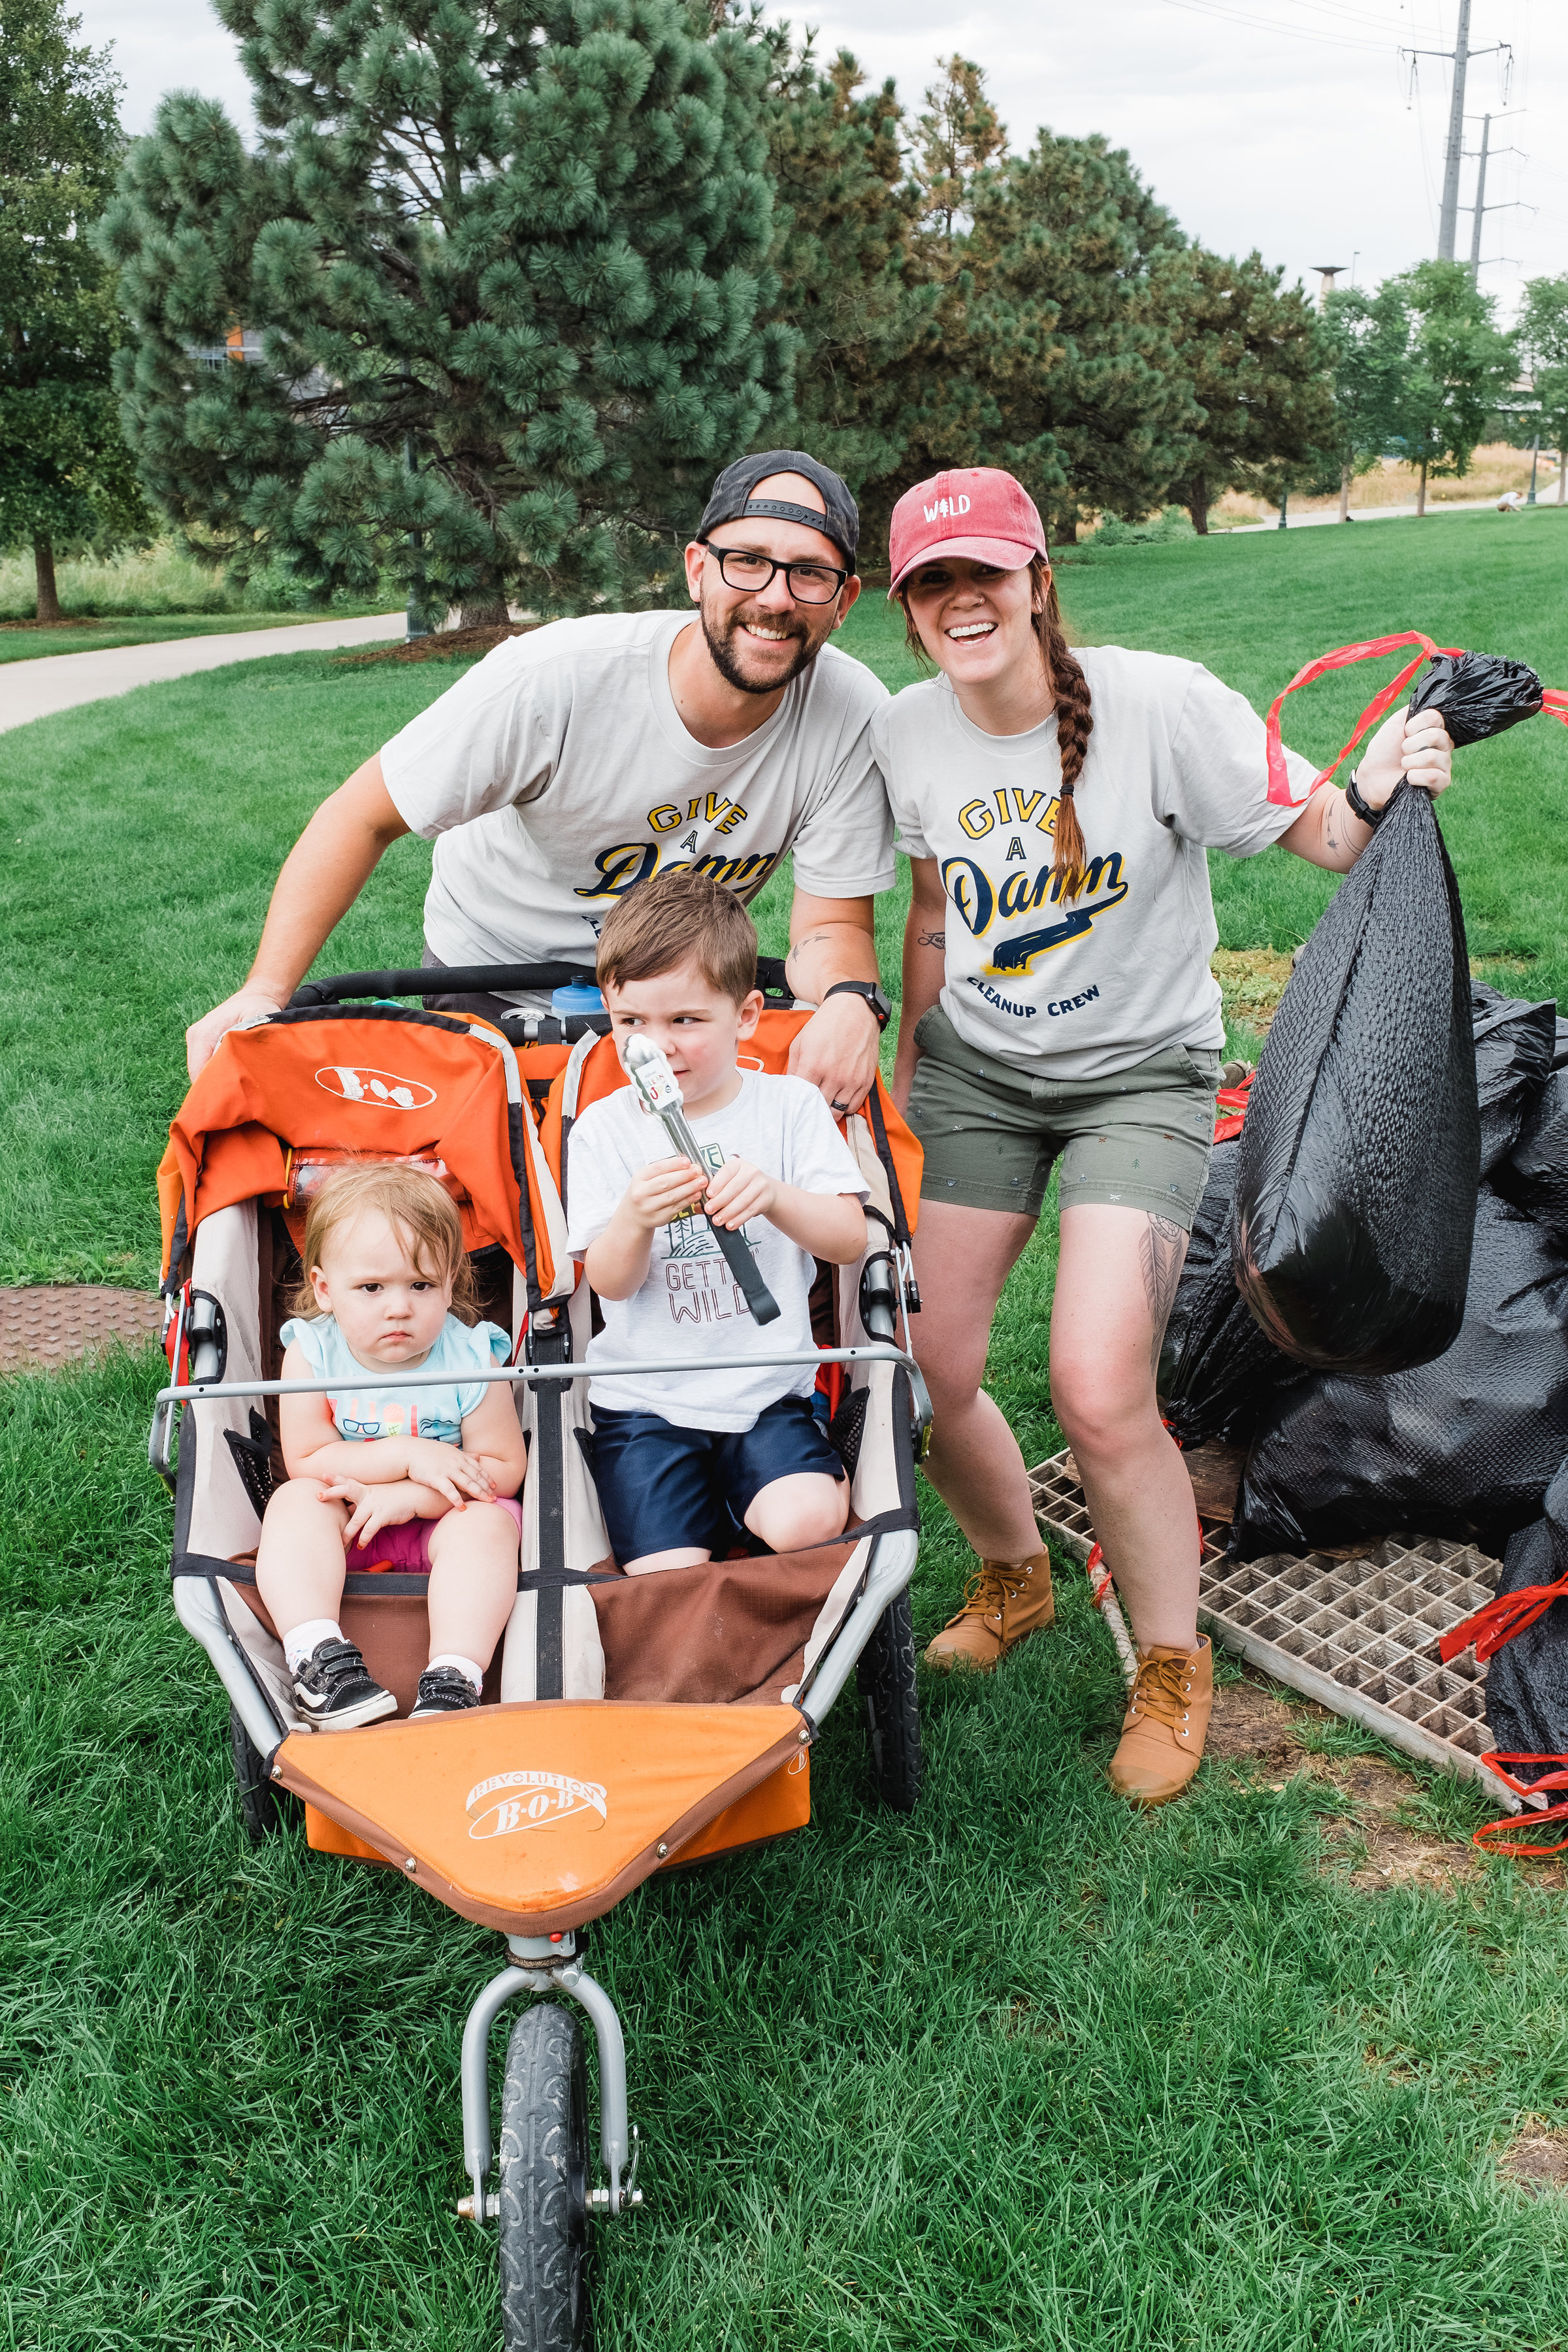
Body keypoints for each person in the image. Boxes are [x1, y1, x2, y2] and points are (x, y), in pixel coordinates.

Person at [873, 465, 1455, 1806]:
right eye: (932, 584)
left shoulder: (1160, 704)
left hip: (1139, 1073)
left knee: (1094, 1384)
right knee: (919, 1368)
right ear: (909, 610)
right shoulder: (908, 735)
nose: (964, 601)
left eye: (985, 573)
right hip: (974, 1075)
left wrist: (1385, 774)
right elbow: (921, 911)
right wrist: (904, 1080)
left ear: (1036, 582)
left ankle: (1172, 1666)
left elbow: (1322, 835)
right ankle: (1017, 1574)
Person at [184, 450, 896, 1115]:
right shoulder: (555, 678)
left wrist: (849, 1001)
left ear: (844, 599)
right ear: (697, 570)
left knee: (681, 1227)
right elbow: (362, 816)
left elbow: (832, 924)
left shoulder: (852, 714)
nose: (775, 598)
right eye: (748, 562)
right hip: (489, 975)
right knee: (485, 1230)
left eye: (810, 574)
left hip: (676, 1003)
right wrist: (264, 992)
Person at [565, 870, 870, 1574]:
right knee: (664, 1574)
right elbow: (609, 1284)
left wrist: (774, 1197)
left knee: (807, 1522)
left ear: (749, 1015)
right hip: (643, 1405)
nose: (657, 1046)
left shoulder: (789, 1107)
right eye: (631, 1023)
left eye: (685, 1021)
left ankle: (757, 1493)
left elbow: (849, 1238)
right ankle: (708, 1509)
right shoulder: (606, 1130)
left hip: (766, 1392)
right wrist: (635, 1220)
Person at [255, 1162, 528, 1727]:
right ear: (326, 1290)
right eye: (372, 1288)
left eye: (421, 1285)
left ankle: (454, 1680)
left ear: (450, 1283)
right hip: (349, 1516)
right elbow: (306, 1458)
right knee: (295, 1501)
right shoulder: (312, 1352)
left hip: (444, 1519)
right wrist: (410, 1455)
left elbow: (503, 1468)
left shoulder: (471, 1358)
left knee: (491, 1525)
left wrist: (412, 1496)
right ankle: (319, 1659)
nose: (398, 1306)